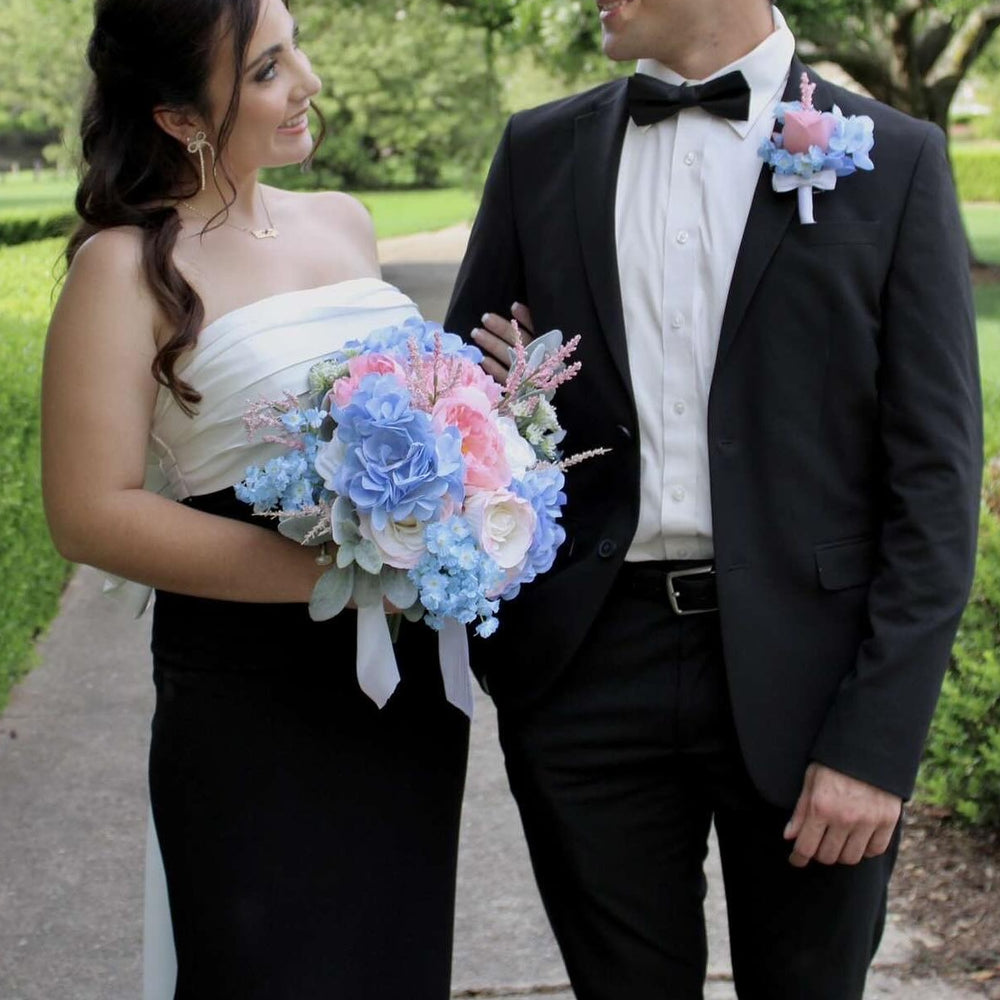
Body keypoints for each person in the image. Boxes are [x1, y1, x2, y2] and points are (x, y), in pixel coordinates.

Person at [436, 1, 982, 996]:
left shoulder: (892, 161)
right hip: (586, 674)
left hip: (813, 682)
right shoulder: (539, 151)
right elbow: (457, 408)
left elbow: (936, 479)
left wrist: (875, 742)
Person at [41, 1, 468, 997]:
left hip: (397, 701)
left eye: (294, 47)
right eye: (270, 68)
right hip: (248, 700)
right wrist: (341, 573)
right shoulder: (124, 267)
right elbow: (88, 511)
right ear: (181, 116)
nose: (309, 80)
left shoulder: (344, 220)